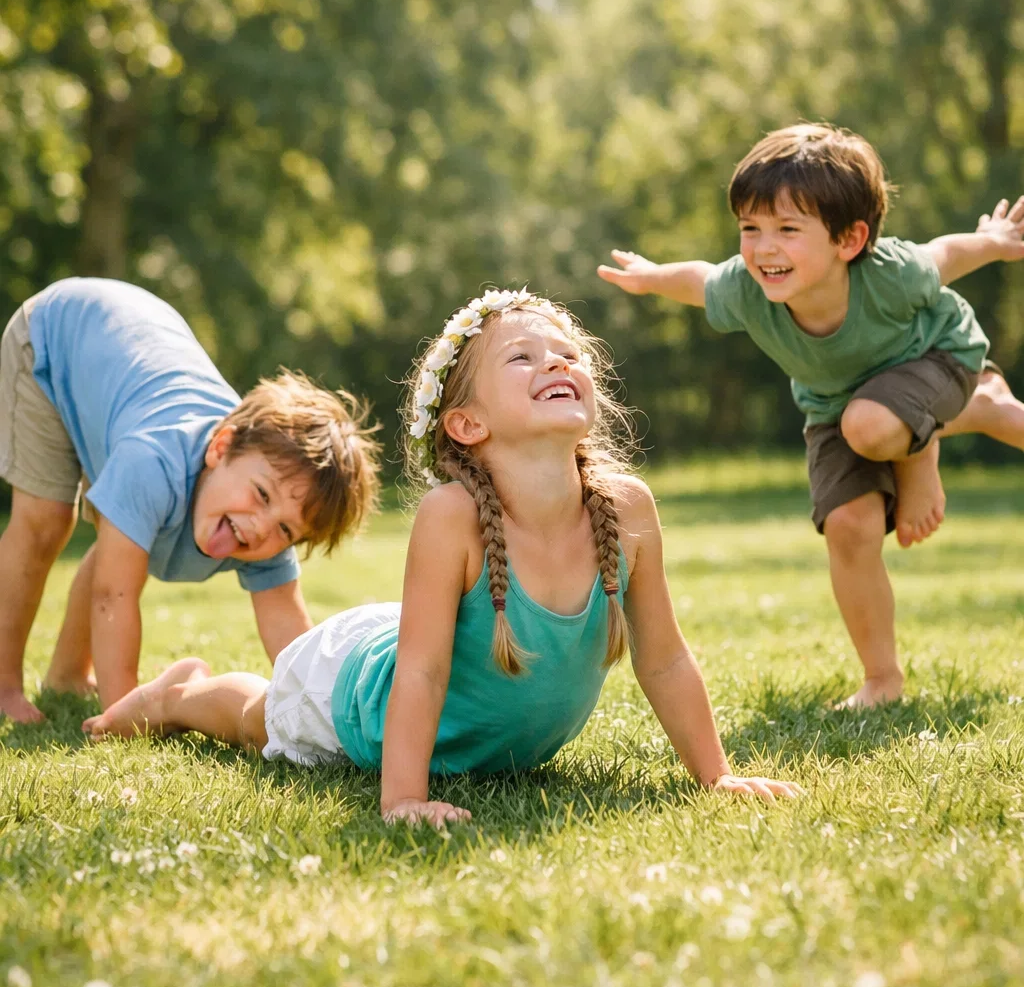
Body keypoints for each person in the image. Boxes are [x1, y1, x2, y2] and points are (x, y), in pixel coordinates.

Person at [83, 287, 799, 822]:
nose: (554, 361)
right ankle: (176, 696)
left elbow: (665, 658)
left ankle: (179, 693)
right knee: (261, 719)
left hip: (436, 661)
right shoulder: (450, 517)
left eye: (567, 354)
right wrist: (403, 798)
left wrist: (716, 776)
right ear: (467, 423)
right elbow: (421, 671)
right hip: (362, 697)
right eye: (523, 357)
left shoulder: (627, 508)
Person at [599, 123, 1024, 708]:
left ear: (848, 240)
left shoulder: (890, 275)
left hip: (938, 359)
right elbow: (700, 279)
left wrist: (997, 240)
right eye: (751, 228)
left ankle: (939, 435)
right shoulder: (749, 288)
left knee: (871, 427)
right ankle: (882, 679)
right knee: (849, 528)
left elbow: (947, 254)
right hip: (834, 403)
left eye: (787, 230)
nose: (763, 247)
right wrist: (651, 277)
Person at [0, 277, 379, 722]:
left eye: (286, 530)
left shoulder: (261, 522)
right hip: (53, 339)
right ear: (221, 448)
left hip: (122, 362)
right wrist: (124, 714)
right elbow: (112, 596)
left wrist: (327, 717)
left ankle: (66, 676)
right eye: (261, 496)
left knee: (118, 544)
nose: (261, 526)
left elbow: (288, 631)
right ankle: (3, 686)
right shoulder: (153, 463)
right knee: (46, 521)